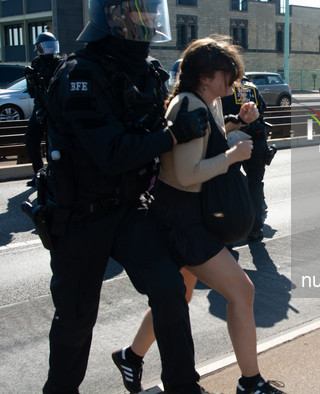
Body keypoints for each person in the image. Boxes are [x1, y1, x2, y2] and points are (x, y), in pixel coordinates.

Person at [40, 0, 216, 393]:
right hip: (79, 216)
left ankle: (183, 386)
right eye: (143, 11)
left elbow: (152, 131)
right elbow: (113, 154)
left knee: (170, 288)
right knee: (76, 318)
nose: (152, 19)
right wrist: (173, 135)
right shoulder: (80, 73)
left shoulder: (146, 71)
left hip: (128, 209)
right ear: (114, 15)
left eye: (155, 11)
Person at [112, 37, 287, 394]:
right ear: (205, 76)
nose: (233, 82)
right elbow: (185, 172)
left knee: (180, 297)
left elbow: (208, 140)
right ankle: (250, 383)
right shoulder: (188, 104)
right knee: (242, 291)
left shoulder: (206, 101)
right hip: (183, 219)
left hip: (183, 214)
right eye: (228, 75)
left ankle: (130, 356)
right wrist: (233, 157)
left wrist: (237, 123)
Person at [222, 77, 269, 242]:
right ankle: (256, 229)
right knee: (255, 183)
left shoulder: (226, 88)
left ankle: (229, 231)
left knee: (230, 184)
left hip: (234, 139)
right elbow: (263, 109)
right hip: (257, 139)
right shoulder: (253, 88)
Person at [23, 32, 61, 187]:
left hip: (54, 109)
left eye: (51, 46)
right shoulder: (36, 63)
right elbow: (33, 90)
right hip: (39, 107)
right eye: (46, 47)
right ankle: (38, 172)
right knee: (31, 137)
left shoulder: (60, 63)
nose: (49, 50)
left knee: (52, 141)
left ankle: (53, 174)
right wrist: (30, 77)